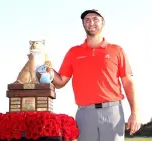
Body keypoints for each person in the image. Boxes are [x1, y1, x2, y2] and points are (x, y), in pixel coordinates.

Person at [51, 9, 141, 141]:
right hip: (85, 114)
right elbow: (60, 82)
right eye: (87, 20)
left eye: (95, 19)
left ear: (102, 23)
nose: (91, 22)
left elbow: (128, 82)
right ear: (83, 24)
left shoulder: (117, 50)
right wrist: (45, 67)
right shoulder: (73, 52)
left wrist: (135, 112)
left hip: (113, 111)